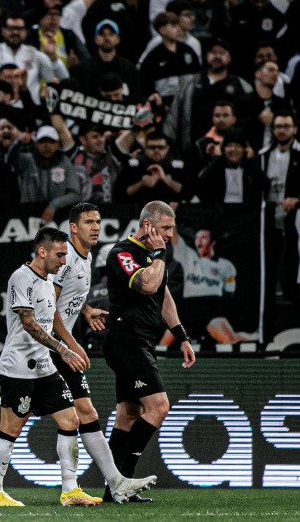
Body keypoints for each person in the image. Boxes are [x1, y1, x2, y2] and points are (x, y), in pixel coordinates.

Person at [0, 226, 155, 507]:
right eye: (60, 255)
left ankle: (70, 489)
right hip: (18, 367)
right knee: (10, 428)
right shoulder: (21, 277)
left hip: (45, 368)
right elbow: (28, 323)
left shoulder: (48, 280)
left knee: (70, 419)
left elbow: (55, 311)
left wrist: (85, 311)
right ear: (42, 251)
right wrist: (64, 349)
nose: (63, 261)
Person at [102, 201, 196, 503]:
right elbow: (147, 284)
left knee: (128, 415)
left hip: (140, 341)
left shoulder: (154, 257)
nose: (170, 234)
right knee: (159, 406)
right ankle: (122, 482)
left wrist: (181, 335)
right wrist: (158, 255)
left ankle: (112, 489)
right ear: (148, 226)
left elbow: (163, 294)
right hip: (126, 340)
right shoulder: (122, 253)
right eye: (166, 228)